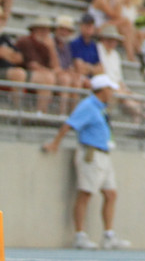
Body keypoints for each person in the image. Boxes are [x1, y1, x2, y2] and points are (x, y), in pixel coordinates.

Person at [42, 73, 130, 249]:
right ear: (102, 90)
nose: (112, 93)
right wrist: (55, 143)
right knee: (85, 192)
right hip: (91, 154)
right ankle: (80, 235)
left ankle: (108, 235)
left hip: (104, 154)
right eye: (109, 90)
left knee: (111, 194)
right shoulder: (88, 106)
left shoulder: (100, 108)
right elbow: (70, 124)